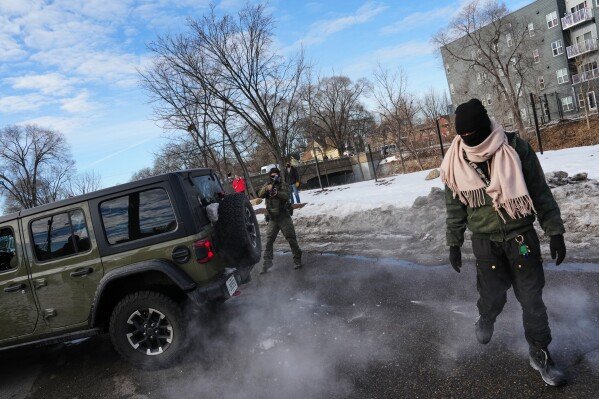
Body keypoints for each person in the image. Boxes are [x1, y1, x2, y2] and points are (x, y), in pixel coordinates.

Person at [441, 99, 567, 387]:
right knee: (492, 297)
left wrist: (554, 230)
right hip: (486, 242)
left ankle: (540, 351)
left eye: (476, 134)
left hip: (520, 235)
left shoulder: (514, 147)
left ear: (487, 126)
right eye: (466, 137)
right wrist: (454, 242)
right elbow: (455, 207)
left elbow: (539, 190)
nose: (473, 142)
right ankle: (486, 318)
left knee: (531, 298)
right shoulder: (456, 162)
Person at [259, 167, 302, 273]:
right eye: (272, 175)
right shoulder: (268, 184)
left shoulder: (283, 184)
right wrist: (267, 189)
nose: (274, 177)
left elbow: (287, 196)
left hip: (283, 216)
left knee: (291, 238)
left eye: (275, 175)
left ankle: (297, 260)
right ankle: (267, 263)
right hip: (273, 218)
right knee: (269, 240)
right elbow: (260, 194)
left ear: (278, 175)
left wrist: (276, 192)